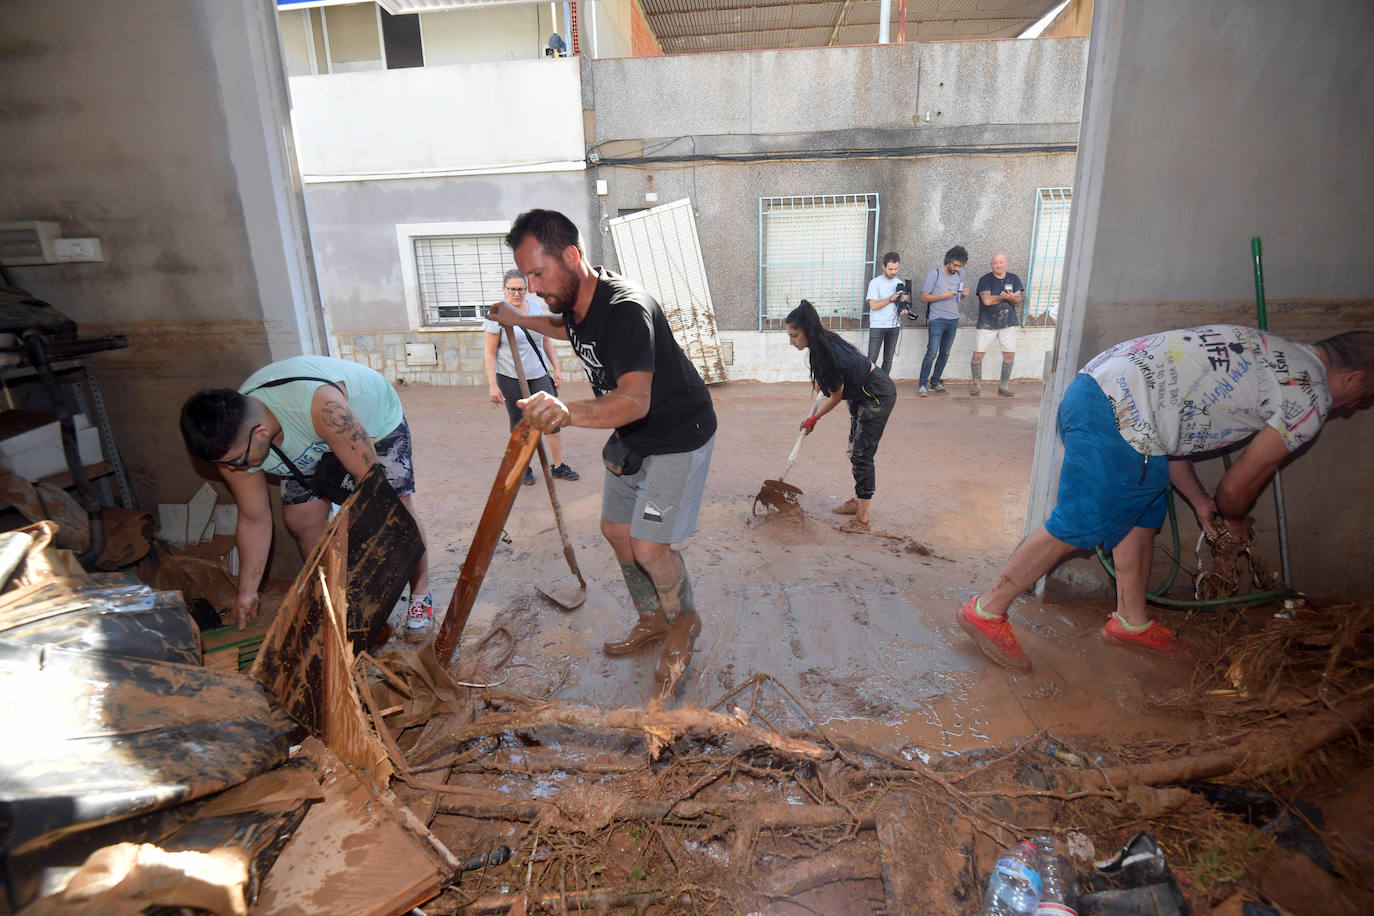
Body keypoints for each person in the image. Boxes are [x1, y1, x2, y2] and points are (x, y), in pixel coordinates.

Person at [958, 326, 1374, 670]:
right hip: (1119, 412)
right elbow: (1236, 488)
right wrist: (1233, 517)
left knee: (1143, 512)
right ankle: (987, 610)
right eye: (1366, 396)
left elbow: (1172, 421)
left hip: (1106, 394)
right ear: (1354, 377)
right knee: (1081, 522)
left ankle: (1131, 622)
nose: (1358, 406)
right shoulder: (1309, 396)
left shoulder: (1278, 349)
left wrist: (1198, 501)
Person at [488, 209, 717, 688]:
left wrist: (566, 412)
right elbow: (561, 325)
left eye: (536, 273)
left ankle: (684, 623)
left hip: (677, 432)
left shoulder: (627, 311)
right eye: (525, 276)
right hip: (633, 435)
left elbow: (635, 401)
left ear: (571, 257)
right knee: (616, 530)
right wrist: (518, 317)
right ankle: (652, 617)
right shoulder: (573, 299)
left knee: (649, 545)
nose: (531, 285)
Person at [179, 355, 431, 635]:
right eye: (225, 463)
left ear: (261, 432)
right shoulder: (235, 446)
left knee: (396, 509)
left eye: (236, 461)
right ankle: (335, 596)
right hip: (303, 439)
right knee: (300, 518)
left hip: (370, 423)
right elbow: (253, 519)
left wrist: (364, 561)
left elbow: (370, 488)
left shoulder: (325, 409)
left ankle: (421, 594)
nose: (230, 470)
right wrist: (247, 593)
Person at [786, 300, 897, 534]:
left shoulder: (826, 355)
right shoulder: (822, 344)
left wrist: (814, 418)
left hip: (875, 395)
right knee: (853, 450)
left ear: (807, 330)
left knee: (861, 456)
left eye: (794, 335)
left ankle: (863, 521)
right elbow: (835, 383)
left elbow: (837, 396)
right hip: (860, 395)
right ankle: (859, 500)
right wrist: (821, 384)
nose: (791, 341)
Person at [484, 268, 579, 486]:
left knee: (552, 417)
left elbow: (545, 341)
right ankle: (523, 467)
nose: (517, 293)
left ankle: (557, 466)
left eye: (521, 289)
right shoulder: (497, 314)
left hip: (538, 374)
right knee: (519, 422)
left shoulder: (535, 308)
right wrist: (492, 385)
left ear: (527, 290)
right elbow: (489, 353)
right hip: (510, 377)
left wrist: (555, 368)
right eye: (512, 289)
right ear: (504, 289)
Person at [918, 245, 968, 397]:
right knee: (931, 353)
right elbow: (924, 297)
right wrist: (944, 296)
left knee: (945, 353)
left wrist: (963, 295)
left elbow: (957, 298)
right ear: (948, 261)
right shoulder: (935, 274)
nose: (957, 268)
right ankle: (922, 384)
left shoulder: (960, 274)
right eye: (954, 265)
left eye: (959, 266)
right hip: (937, 319)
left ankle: (935, 381)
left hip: (953, 319)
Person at [972, 253, 1024, 397]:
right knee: (978, 355)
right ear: (991, 265)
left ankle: (1004, 386)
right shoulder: (985, 280)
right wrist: (1005, 297)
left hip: (1008, 322)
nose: (999, 265)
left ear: (1006, 263)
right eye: (995, 263)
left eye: (1001, 262)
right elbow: (987, 301)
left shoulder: (1014, 279)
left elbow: (1019, 302)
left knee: (1009, 355)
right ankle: (976, 386)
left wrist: (1012, 298)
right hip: (986, 323)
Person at [865, 252, 909, 376]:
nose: (893, 272)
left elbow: (899, 307)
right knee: (871, 359)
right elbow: (873, 306)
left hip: (894, 326)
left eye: (896, 268)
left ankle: (883, 387)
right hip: (878, 325)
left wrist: (904, 309)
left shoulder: (900, 283)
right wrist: (891, 299)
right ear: (884, 267)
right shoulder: (875, 283)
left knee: (888, 360)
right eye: (890, 269)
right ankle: (867, 386)